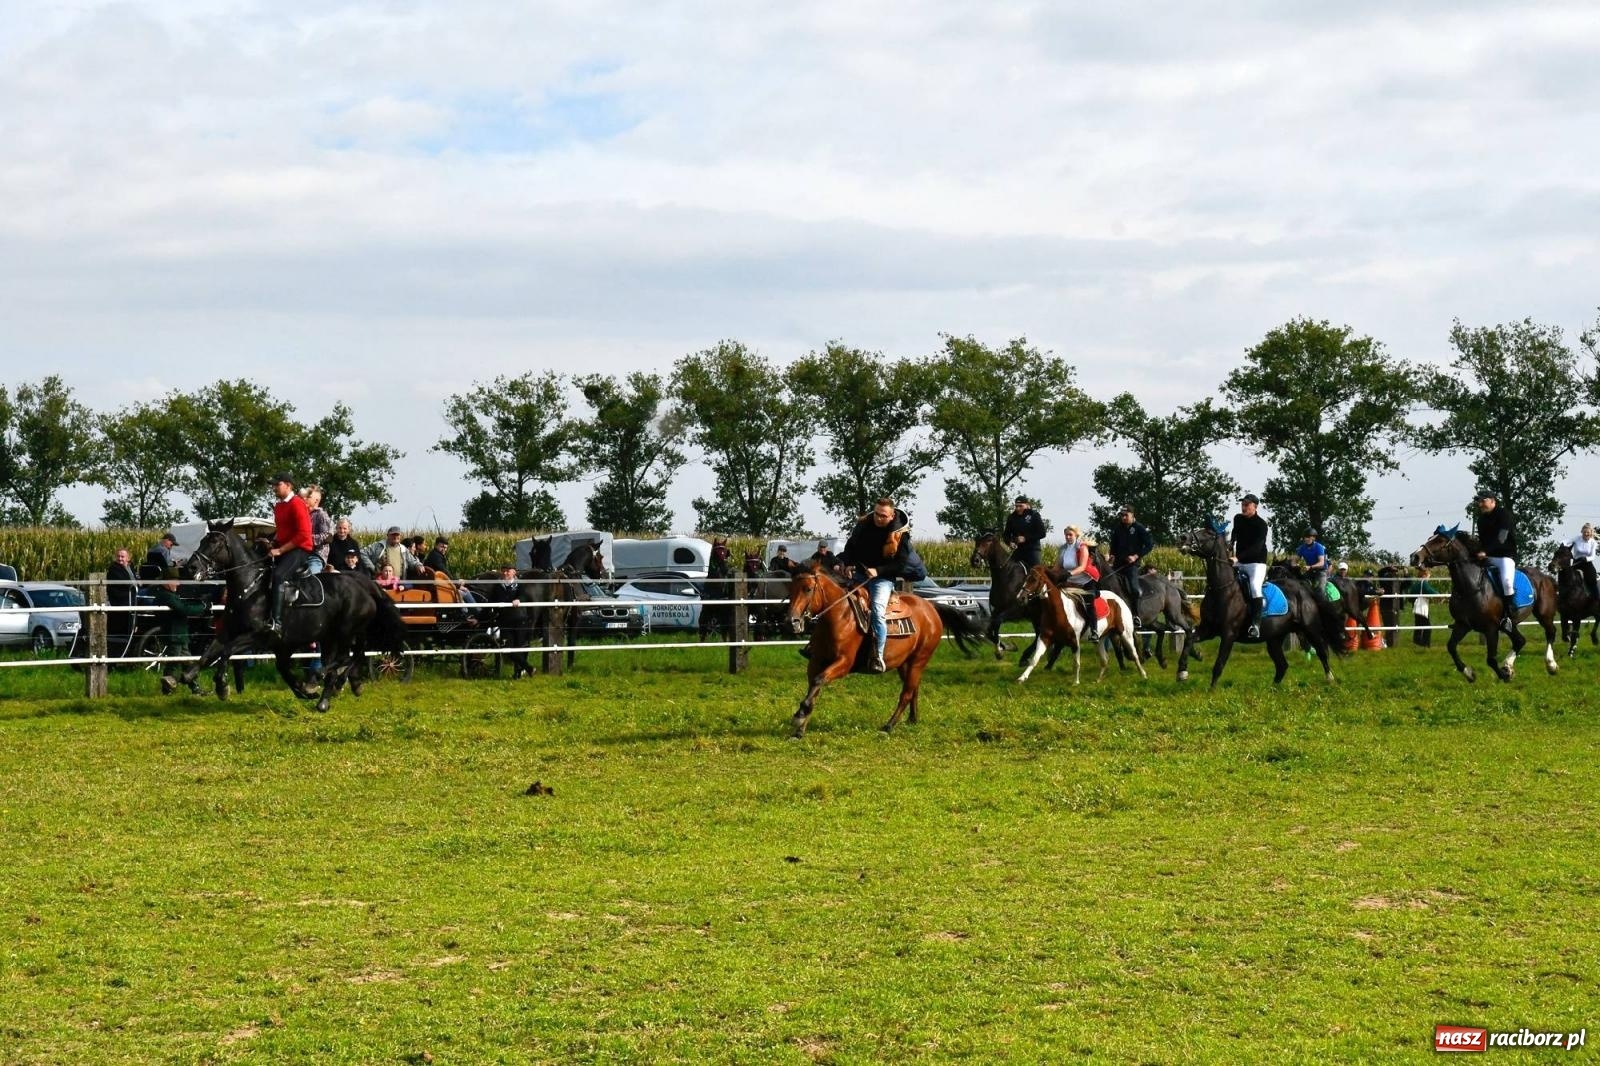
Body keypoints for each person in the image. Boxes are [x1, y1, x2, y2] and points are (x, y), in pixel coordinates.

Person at [835, 497, 915, 674]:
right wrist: (845, 562)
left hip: (883, 579)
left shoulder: (901, 534)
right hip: (860, 574)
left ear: (892, 515)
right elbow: (850, 549)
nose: (879, 518)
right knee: (837, 602)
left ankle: (877, 656)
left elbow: (901, 564)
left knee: (878, 611)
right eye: (877, 514)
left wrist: (878, 571)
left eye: (883, 516)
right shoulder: (863, 525)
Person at [266, 472, 314, 636]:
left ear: (288, 485)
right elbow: (282, 531)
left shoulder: (297, 504)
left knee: (279, 576)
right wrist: (273, 542)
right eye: (273, 485)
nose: (274, 488)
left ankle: (277, 622)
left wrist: (279, 550)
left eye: (277, 484)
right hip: (286, 547)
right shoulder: (279, 506)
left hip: (300, 549)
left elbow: (303, 535)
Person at [1473, 489, 1518, 635]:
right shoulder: (1481, 520)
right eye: (1479, 501)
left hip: (1505, 557)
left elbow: (1502, 538)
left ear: (1493, 501)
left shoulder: (1504, 515)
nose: (1480, 504)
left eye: (1483, 500)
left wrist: (1486, 552)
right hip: (1487, 557)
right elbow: (1482, 541)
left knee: (1506, 582)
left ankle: (1509, 615)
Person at [1229, 493, 1271, 639]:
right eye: (1243, 504)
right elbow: (1235, 533)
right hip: (1239, 561)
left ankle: (1256, 624)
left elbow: (1257, 548)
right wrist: (1230, 543)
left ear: (1255, 506)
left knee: (1254, 586)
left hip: (1256, 563)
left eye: (1247, 504)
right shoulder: (1238, 518)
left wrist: (1237, 558)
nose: (1244, 506)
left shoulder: (1261, 525)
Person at [1108, 505, 1154, 623]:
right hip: (1117, 564)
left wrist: (1136, 556)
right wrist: (1112, 555)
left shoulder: (1139, 528)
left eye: (1126, 515)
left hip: (1131, 566)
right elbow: (1113, 545)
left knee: (1134, 588)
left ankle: (1136, 615)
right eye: (1122, 515)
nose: (1123, 518)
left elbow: (1149, 545)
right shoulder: (1118, 529)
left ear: (1132, 515)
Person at [147, 572, 208, 653]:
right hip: (175, 634)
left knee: (187, 661)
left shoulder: (167, 594)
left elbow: (183, 605)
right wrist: (203, 607)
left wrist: (201, 605)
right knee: (174, 661)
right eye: (175, 581)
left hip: (179, 635)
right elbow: (184, 609)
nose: (178, 584)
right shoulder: (167, 596)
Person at [1058, 524, 1101, 637]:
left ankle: (1094, 630)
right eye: (1066, 535)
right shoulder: (1063, 549)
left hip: (1085, 581)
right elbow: (1057, 567)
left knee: (1089, 602)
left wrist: (1068, 574)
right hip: (1070, 581)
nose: (1068, 537)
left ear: (1076, 535)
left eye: (1070, 535)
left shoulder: (1082, 547)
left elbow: (1082, 567)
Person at [1003, 496, 1048, 569]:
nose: (1018, 508)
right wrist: (1010, 543)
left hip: (1032, 549)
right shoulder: (1011, 517)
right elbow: (1005, 535)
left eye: (1021, 506)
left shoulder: (1034, 515)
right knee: (1007, 568)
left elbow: (1042, 533)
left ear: (1027, 505)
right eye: (1016, 506)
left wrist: (1025, 538)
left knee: (1037, 572)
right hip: (1018, 550)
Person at [106, 548, 139, 643]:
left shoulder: (130, 567)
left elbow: (135, 579)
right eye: (118, 556)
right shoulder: (114, 569)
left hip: (132, 593)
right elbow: (124, 582)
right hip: (122, 597)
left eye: (122, 557)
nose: (120, 559)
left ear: (128, 558)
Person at [302, 484, 332, 575]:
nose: (305, 499)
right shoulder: (302, 514)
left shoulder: (321, 515)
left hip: (315, 556)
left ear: (316, 501)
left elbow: (327, 536)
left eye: (308, 497)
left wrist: (305, 539)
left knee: (312, 579)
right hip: (300, 554)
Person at [1569, 522, 1599, 601]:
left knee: (1592, 580)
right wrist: (1563, 545)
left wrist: (1586, 559)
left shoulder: (1593, 542)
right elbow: (1568, 541)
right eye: (1584, 532)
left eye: (1588, 532)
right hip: (1577, 562)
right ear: (1582, 532)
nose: (1586, 534)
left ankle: (1596, 600)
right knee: (1568, 578)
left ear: (1590, 533)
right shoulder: (1577, 538)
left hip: (1587, 563)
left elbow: (1593, 556)